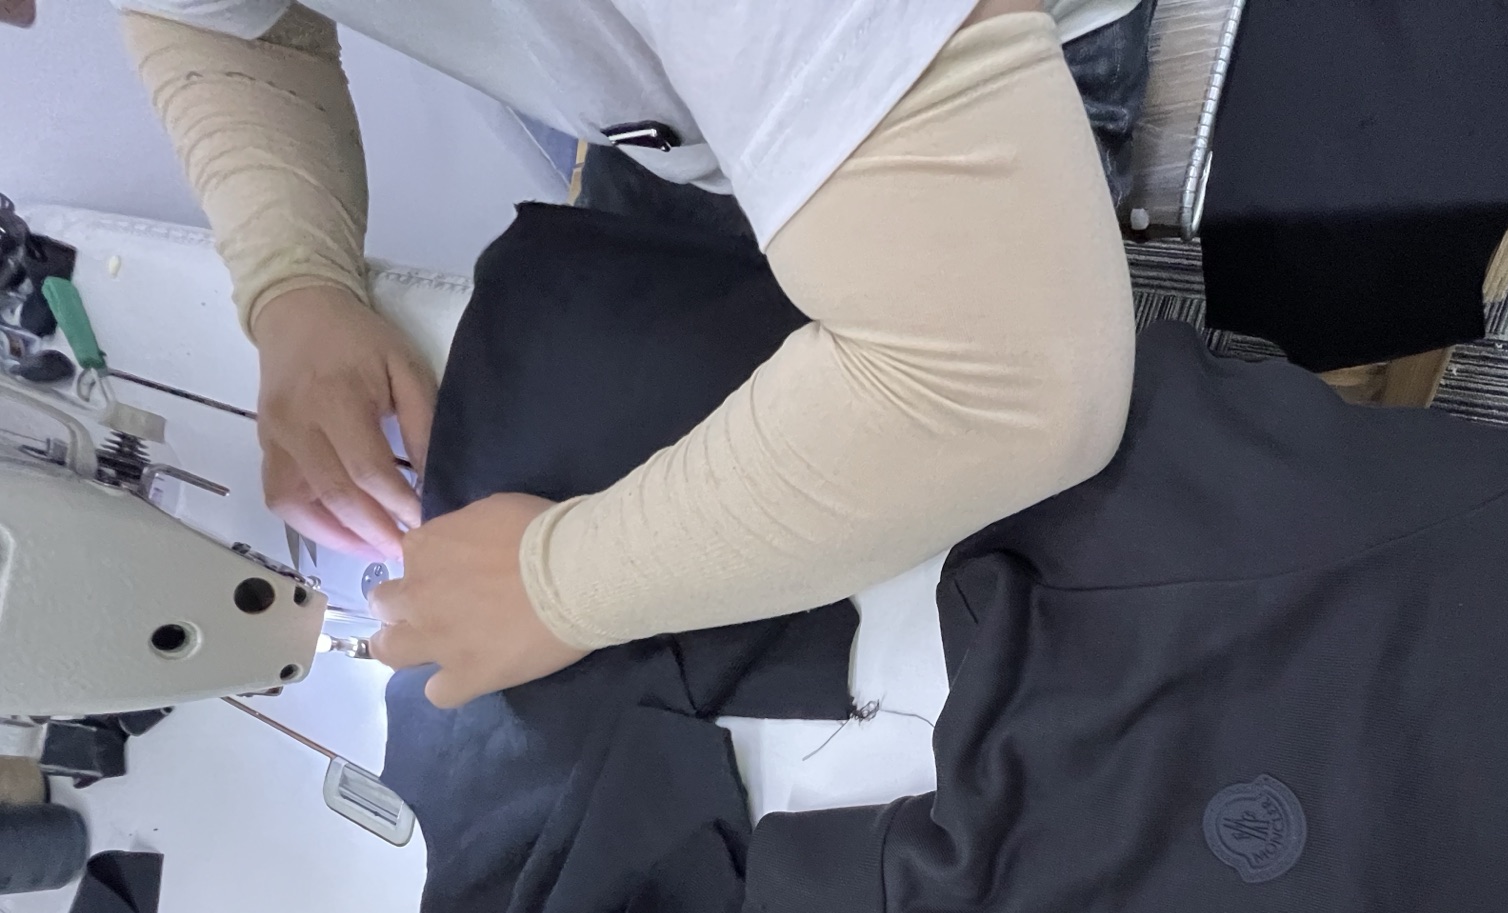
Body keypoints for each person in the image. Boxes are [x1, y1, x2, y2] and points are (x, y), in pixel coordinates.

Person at [114, 0, 1141, 706]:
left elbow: (1011, 377)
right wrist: (295, 279)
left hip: (983, 81)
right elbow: (207, 19)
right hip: (679, 115)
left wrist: (560, 586)